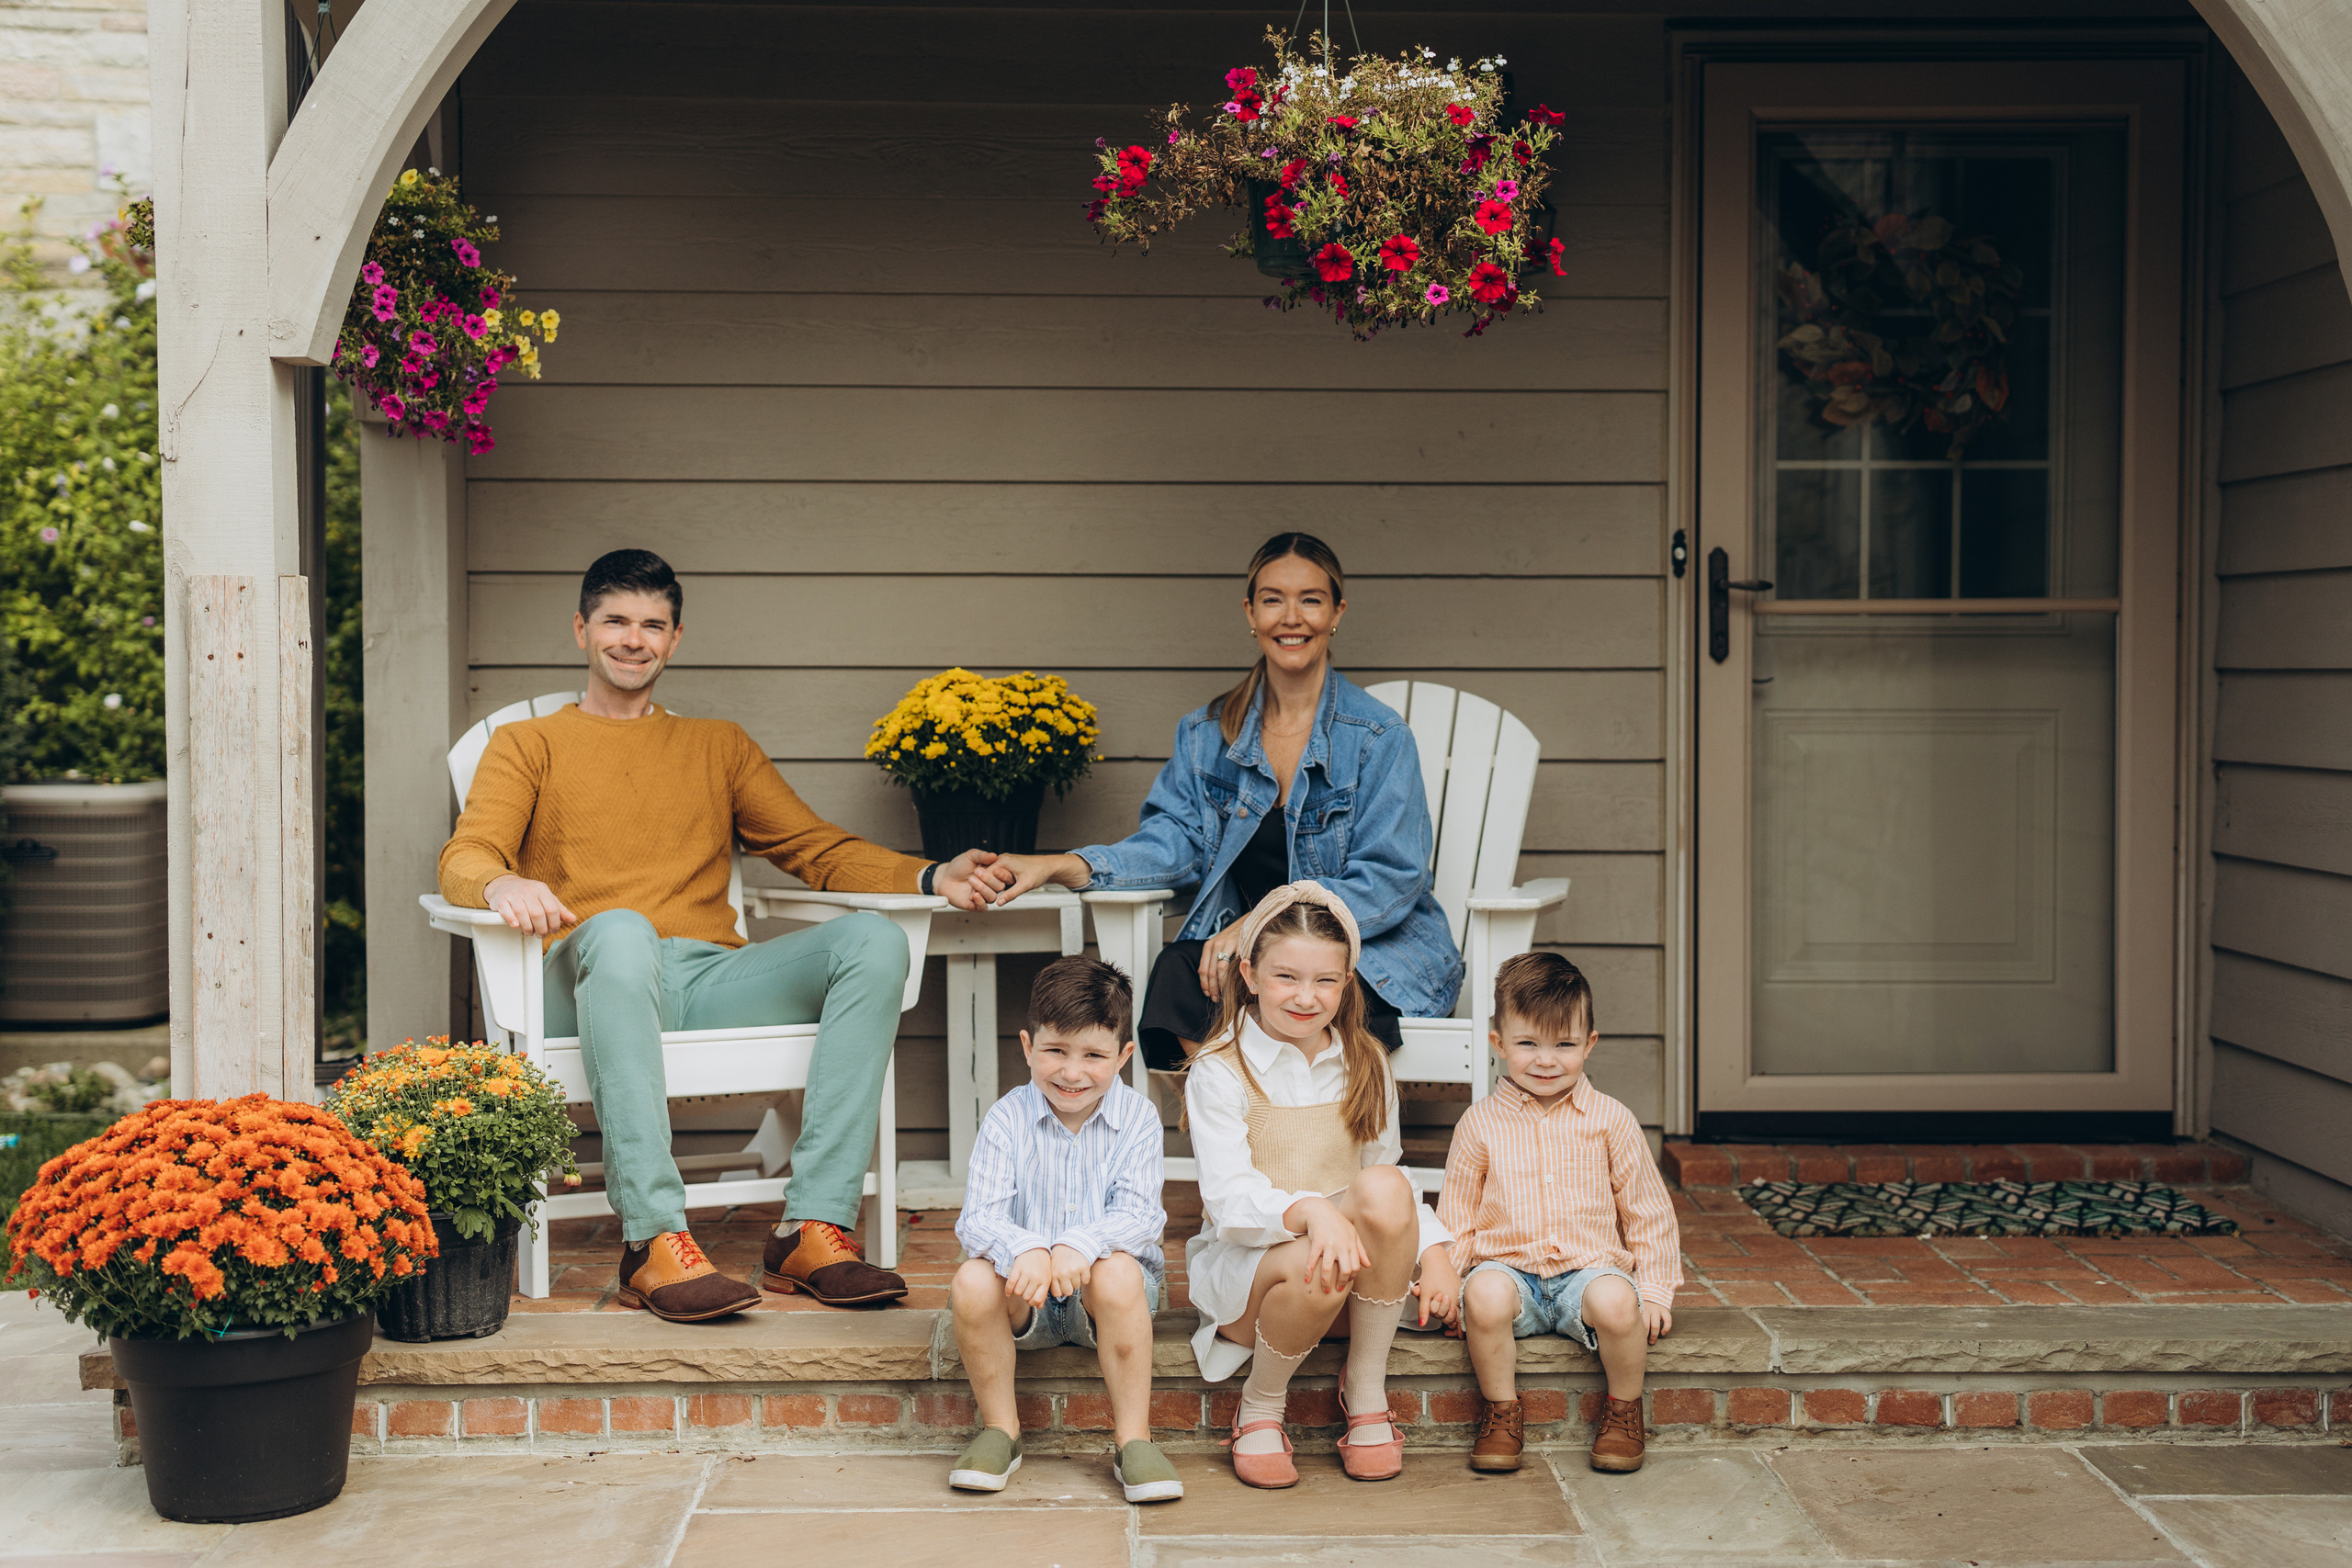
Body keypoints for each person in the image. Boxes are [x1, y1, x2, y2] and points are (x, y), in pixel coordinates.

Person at [436, 548, 1001, 1322]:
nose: (633, 639)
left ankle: (812, 1228)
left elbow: (814, 847)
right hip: (586, 980)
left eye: (652, 625)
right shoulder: (529, 745)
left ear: (674, 639)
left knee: (874, 942)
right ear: (581, 629)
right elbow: (465, 855)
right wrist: (500, 881)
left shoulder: (717, 746)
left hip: (703, 978)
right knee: (625, 930)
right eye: (615, 621)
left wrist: (931, 875)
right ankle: (653, 1238)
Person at [972, 532, 1460, 1078]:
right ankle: (1238, 1131)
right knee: (1179, 972)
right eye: (1273, 599)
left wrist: (1265, 922)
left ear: (1336, 611)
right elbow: (1174, 843)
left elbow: (1392, 875)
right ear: (1250, 612)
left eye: (1311, 599)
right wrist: (1064, 866)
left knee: (1303, 990)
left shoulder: (1378, 737)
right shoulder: (1207, 735)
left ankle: (1302, 1143)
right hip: (1251, 962)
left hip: (1368, 958)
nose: (1291, 617)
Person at [1182, 883, 1461, 1488]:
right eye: (1286, 976)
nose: (1306, 997)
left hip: (1354, 1286)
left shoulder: (1365, 1060)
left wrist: (1435, 1251)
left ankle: (1364, 1386)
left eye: (1326, 981)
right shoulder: (1220, 1070)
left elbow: (1390, 1173)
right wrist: (1312, 1210)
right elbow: (1229, 1201)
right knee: (1318, 1251)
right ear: (1250, 974)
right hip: (1254, 1284)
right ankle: (1260, 1403)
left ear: (1347, 981)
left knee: (1383, 1184)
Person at [947, 955, 1182, 1504]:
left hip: (1108, 1303)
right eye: (1055, 1051)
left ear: (1123, 1056)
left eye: (1094, 1056)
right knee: (971, 1281)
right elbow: (977, 1217)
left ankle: (1133, 1440)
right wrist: (1024, 1244)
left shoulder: (1140, 1118)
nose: (1072, 1073)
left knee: (1117, 1272)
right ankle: (1000, 1430)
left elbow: (1142, 1215)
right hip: (1025, 1297)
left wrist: (1080, 1243)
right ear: (1028, 1047)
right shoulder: (1006, 1118)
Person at [1437, 952, 1681, 1475]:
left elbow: (1647, 1210)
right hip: (1509, 1272)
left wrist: (1657, 1289)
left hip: (1588, 1273)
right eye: (1527, 1044)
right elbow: (1456, 1215)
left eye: (1564, 1045)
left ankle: (1623, 1411)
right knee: (1483, 1295)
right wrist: (1447, 1283)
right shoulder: (1479, 1124)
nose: (1546, 1060)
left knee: (1620, 1304)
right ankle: (1502, 1411)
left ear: (1588, 1044)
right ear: (1498, 1043)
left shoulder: (1611, 1119)